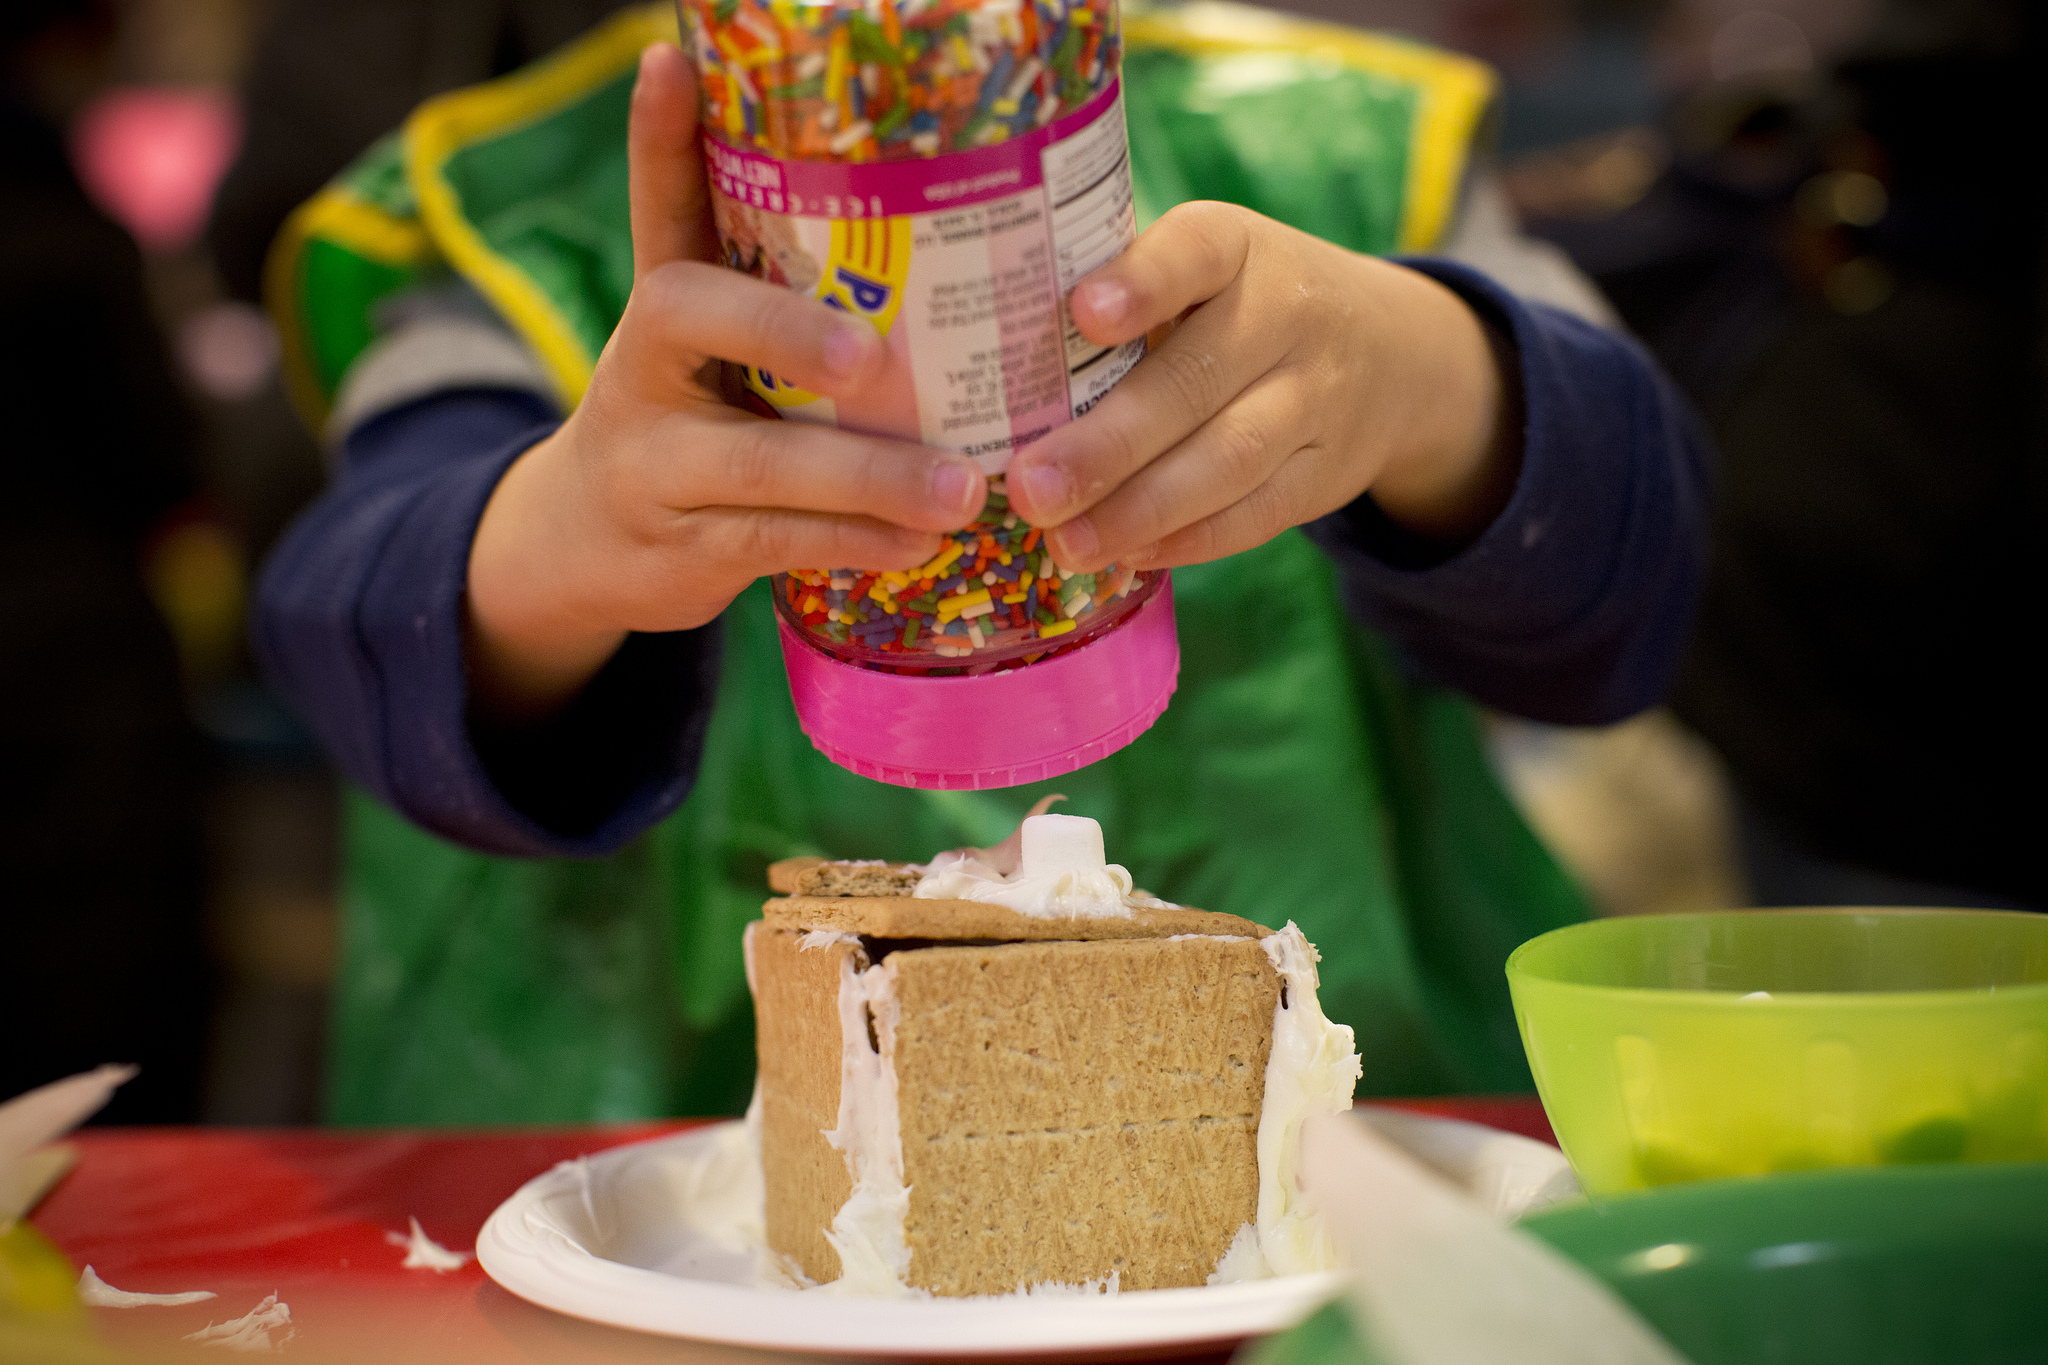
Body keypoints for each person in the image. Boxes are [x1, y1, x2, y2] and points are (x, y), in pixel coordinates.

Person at [254, 2, 1710, 1124]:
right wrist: (556, 543)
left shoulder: (1339, 155)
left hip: (1332, 1171)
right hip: (695, 1197)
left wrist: (1429, 382)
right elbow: (340, 614)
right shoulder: (525, 228)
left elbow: (1639, 590)